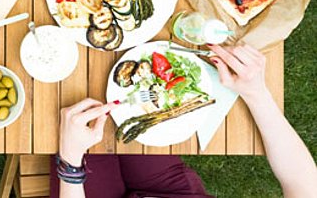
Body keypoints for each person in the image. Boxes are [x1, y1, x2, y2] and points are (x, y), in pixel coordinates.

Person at [54, 44, 317, 198]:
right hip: (169, 193)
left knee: (74, 114)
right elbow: (305, 186)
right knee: (122, 114)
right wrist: (256, 93)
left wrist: (71, 162)